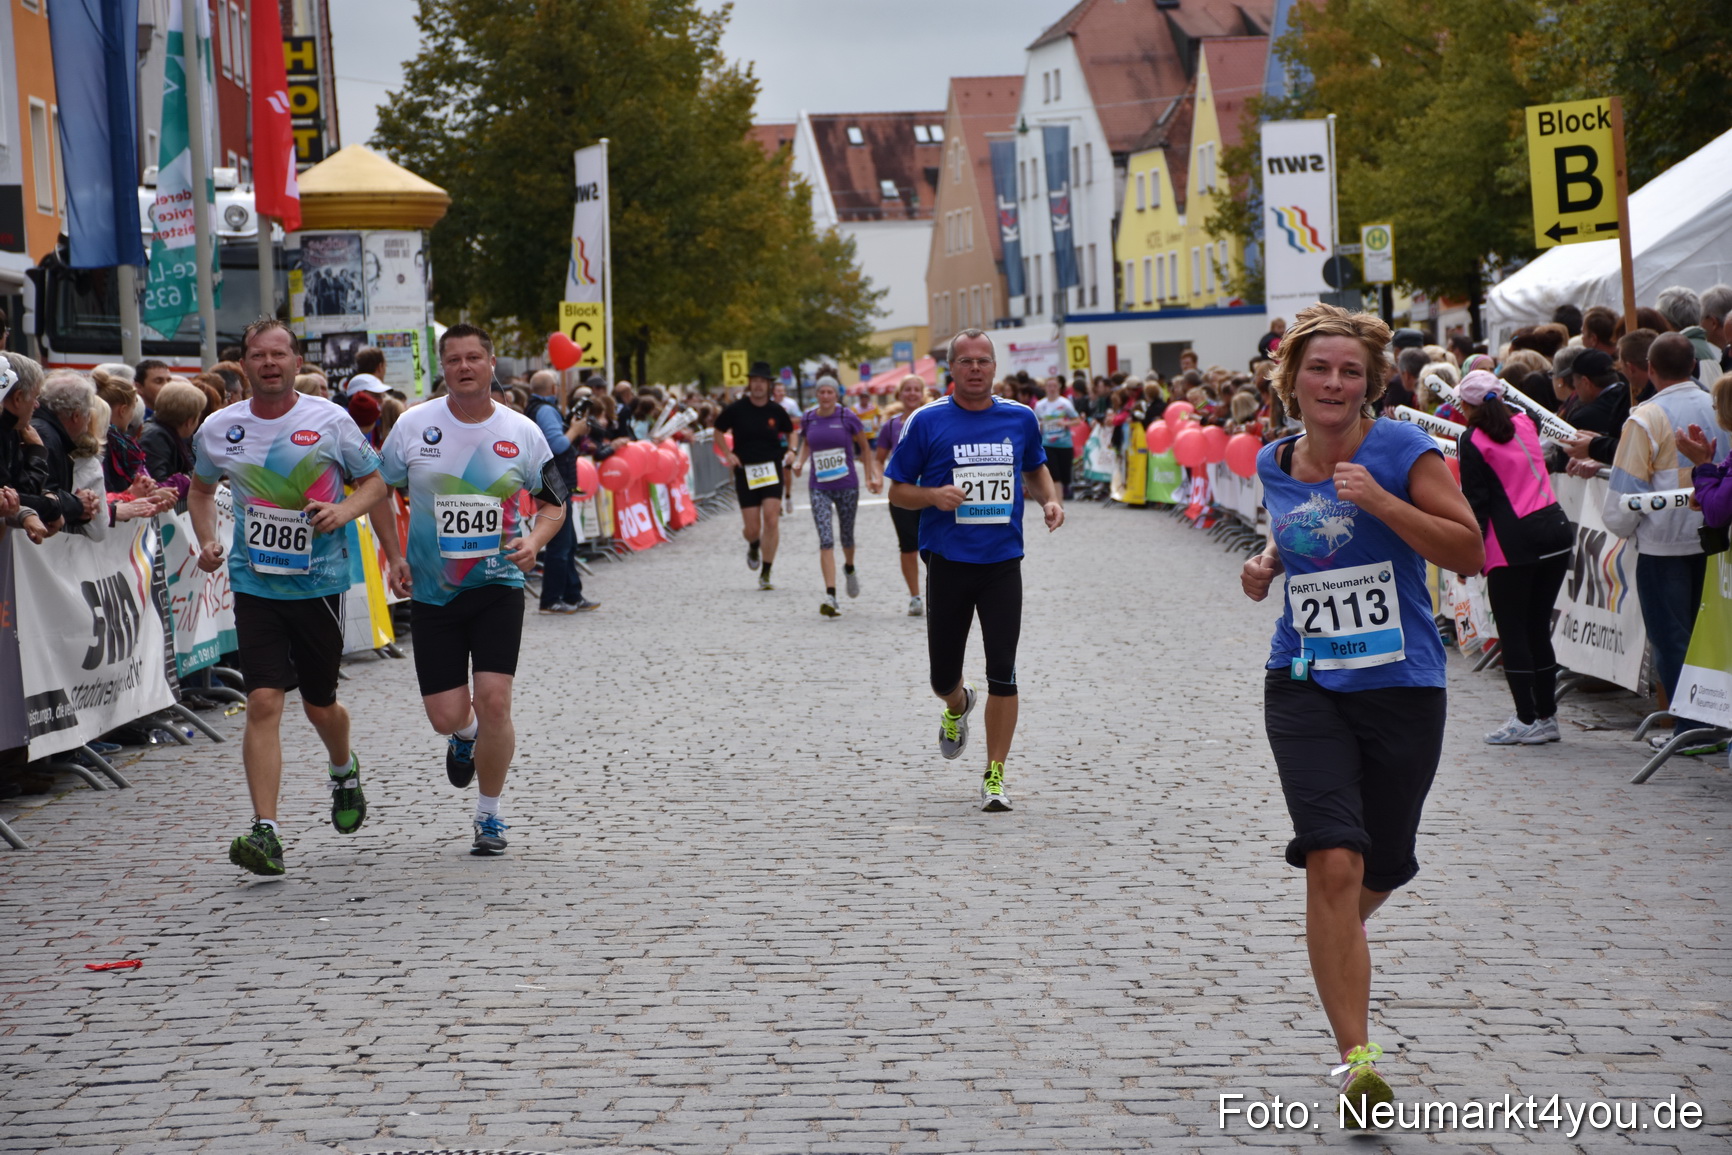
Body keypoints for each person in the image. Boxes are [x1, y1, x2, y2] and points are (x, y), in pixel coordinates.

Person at [1240, 304, 1483, 1121]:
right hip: (1304, 680)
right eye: (1319, 369)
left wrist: (1382, 501)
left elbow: (1467, 549)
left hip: (1403, 686)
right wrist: (1270, 559)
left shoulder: (1403, 451)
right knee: (1334, 862)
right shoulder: (1276, 459)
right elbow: (1306, 533)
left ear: (1372, 383)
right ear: (1291, 379)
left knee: (1381, 865)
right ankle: (1360, 1061)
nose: (1334, 383)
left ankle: (1329, 934)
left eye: (1350, 372)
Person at [188, 319, 389, 877]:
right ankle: (266, 831)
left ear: (297, 362)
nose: (269, 363)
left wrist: (345, 511)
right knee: (262, 701)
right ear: (244, 364)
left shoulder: (330, 419)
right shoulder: (219, 427)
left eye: (280, 354)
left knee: (320, 704)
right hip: (255, 583)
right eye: (258, 355)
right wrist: (208, 538)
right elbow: (200, 491)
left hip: (319, 583)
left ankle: (343, 769)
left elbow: (375, 483)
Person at [373, 323, 570, 856]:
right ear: (444, 368)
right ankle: (463, 737)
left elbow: (555, 502)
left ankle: (490, 815)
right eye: (454, 359)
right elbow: (376, 489)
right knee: (447, 715)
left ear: (491, 364)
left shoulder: (523, 432)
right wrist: (394, 555)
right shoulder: (414, 425)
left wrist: (536, 540)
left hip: (497, 584)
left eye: (474, 358)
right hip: (434, 591)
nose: (464, 366)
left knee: (495, 700)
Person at [886, 328, 1064, 812]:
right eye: (965, 361)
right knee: (941, 676)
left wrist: (1050, 500)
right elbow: (897, 490)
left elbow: (1035, 467)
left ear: (994, 366)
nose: (975, 369)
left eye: (983, 360)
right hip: (948, 560)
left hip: (1003, 562)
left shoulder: (1021, 418)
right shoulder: (926, 422)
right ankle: (957, 703)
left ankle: (995, 774)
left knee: (1003, 671)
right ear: (951, 368)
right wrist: (932, 496)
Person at [1602, 333, 1730, 749]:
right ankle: (1714, 722)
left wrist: (1623, 526)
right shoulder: (1719, 403)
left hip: (1664, 545)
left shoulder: (1646, 417)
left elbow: (1621, 500)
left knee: (1672, 638)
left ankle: (1690, 728)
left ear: (1650, 370)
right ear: (1694, 363)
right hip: (1714, 539)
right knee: (1708, 636)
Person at [1454, 371, 1574, 744]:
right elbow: (1527, 413)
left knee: (1514, 631)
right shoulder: (1525, 422)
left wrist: (1466, 556)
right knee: (1537, 626)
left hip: (1512, 543)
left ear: (1466, 406)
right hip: (1555, 530)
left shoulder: (1472, 439)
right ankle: (1547, 717)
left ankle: (1526, 718)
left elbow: (1478, 503)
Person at [791, 374, 879, 616]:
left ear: (836, 395)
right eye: (822, 392)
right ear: (817, 395)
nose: (826, 396)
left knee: (846, 537)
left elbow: (864, 446)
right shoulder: (809, 417)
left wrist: (870, 474)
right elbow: (806, 444)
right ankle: (831, 595)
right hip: (819, 486)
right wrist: (799, 461)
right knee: (826, 539)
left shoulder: (846, 416)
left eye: (830, 392)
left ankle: (849, 567)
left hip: (847, 485)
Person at [713, 361, 793, 590]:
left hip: (771, 469)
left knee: (771, 519)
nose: (758, 385)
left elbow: (791, 432)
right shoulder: (736, 409)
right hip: (745, 471)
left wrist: (791, 450)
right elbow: (717, 431)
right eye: (754, 381)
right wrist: (728, 454)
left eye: (762, 381)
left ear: (769, 385)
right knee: (751, 528)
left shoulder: (776, 410)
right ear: (750, 383)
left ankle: (766, 572)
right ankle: (753, 545)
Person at [523, 369, 598, 614]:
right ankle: (551, 598)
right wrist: (575, 431)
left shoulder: (535, 408)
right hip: (554, 483)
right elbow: (556, 445)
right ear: (554, 389)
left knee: (569, 542)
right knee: (560, 544)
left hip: (554, 481)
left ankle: (572, 594)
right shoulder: (545, 410)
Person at [875, 375, 930, 616]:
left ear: (922, 394)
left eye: (916, 390)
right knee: (908, 546)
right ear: (899, 394)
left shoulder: (933, 419)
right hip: (903, 494)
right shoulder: (891, 425)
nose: (911, 394)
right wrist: (876, 477)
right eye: (907, 390)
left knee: (935, 546)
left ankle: (937, 593)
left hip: (931, 493)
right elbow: (878, 459)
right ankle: (915, 597)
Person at [1034, 375, 1081, 501]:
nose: (1052, 389)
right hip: (1048, 443)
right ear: (1045, 388)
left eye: (1054, 386)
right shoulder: (1040, 405)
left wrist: (1065, 424)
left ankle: (1059, 500)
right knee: (1054, 474)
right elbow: (1034, 423)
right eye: (1049, 386)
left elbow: (1077, 420)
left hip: (1064, 443)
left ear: (1059, 387)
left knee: (1065, 475)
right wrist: (1041, 425)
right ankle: (1058, 503)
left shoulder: (1065, 403)